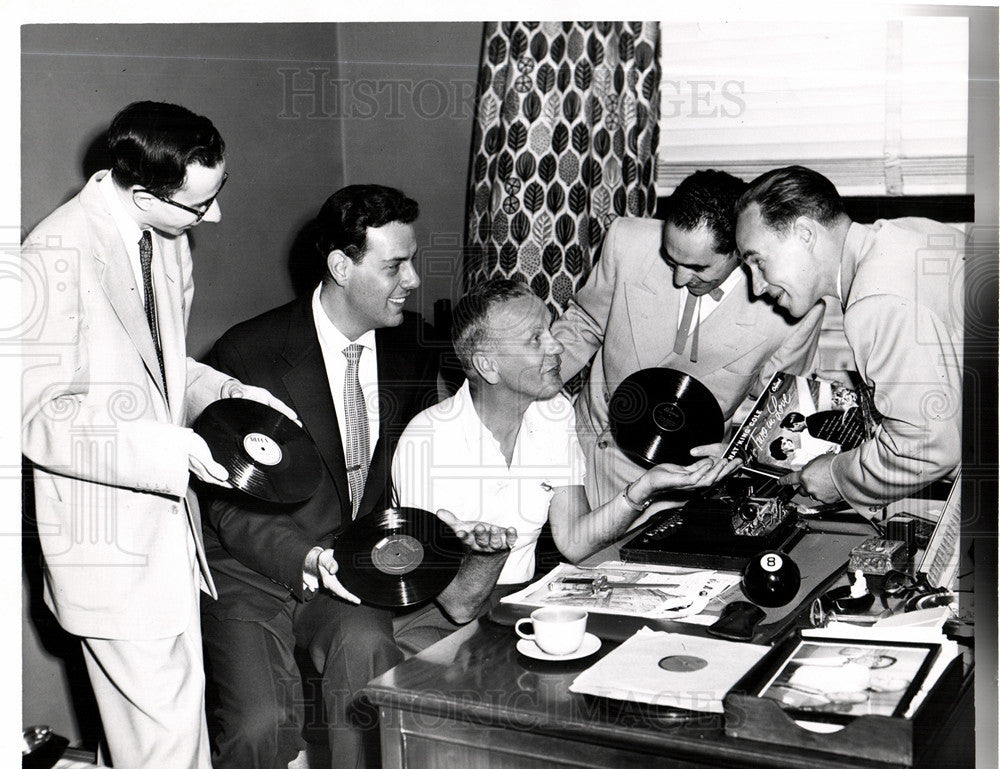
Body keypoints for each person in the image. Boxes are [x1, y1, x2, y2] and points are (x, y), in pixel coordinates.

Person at [198, 184, 511, 769]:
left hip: (350, 573)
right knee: (257, 728)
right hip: (253, 571)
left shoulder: (413, 351)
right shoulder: (249, 353)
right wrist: (304, 557)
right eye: (395, 264)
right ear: (341, 266)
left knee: (370, 677)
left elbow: (421, 468)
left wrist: (451, 521)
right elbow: (228, 507)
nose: (414, 279)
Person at [20, 100, 295, 769]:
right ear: (143, 191)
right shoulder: (52, 257)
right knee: (163, 765)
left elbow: (166, 371)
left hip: (169, 547)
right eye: (200, 206)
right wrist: (171, 451)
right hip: (108, 551)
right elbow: (36, 417)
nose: (216, 219)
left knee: (178, 751)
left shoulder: (164, 237)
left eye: (218, 194)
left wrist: (228, 394)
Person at [392, 278, 739, 606]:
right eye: (534, 339)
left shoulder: (553, 411)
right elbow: (457, 603)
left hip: (518, 598)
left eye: (549, 328)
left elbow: (575, 541)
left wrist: (645, 488)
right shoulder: (427, 442)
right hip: (440, 616)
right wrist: (492, 556)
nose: (557, 345)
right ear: (488, 366)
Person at [550, 170, 825, 509]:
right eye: (671, 260)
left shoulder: (793, 311)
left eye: (697, 267)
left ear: (739, 251)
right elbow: (584, 325)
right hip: (575, 457)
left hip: (671, 490)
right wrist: (519, 387)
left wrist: (733, 451)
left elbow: (773, 415)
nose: (680, 278)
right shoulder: (627, 241)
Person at [734, 165, 963, 518]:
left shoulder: (875, 301)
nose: (757, 287)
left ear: (805, 233)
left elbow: (927, 448)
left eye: (759, 262)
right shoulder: (902, 232)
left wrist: (836, 475)